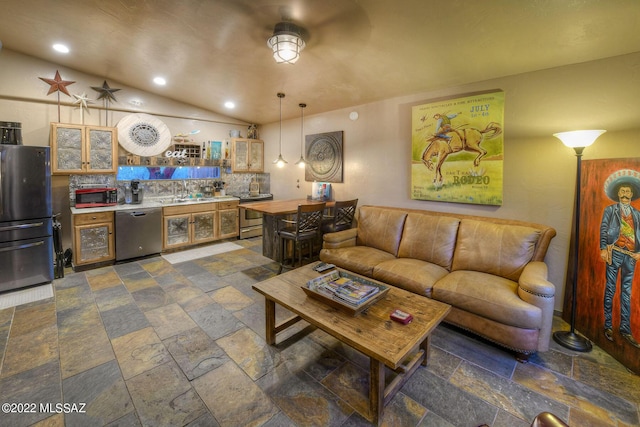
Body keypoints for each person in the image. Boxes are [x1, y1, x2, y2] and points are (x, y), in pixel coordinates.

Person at [599, 169, 640, 348]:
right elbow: (604, 228)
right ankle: (608, 325)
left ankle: (625, 329)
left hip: (630, 257)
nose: (625, 194)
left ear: (632, 194)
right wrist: (603, 248)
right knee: (610, 289)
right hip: (614, 252)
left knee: (626, 293)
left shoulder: (637, 214)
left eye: (627, 192)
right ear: (618, 193)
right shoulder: (611, 210)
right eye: (622, 191)